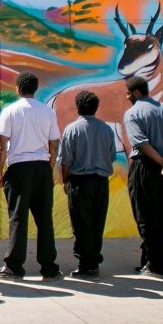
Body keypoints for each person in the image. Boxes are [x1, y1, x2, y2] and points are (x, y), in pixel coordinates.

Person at [0, 72, 63, 281]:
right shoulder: (47, 112)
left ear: (17, 88)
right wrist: (48, 171)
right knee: (44, 220)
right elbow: (53, 145)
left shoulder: (10, 111)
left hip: (19, 168)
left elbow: (1, 147)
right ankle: (49, 267)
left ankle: (14, 267)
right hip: (41, 167)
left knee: (18, 219)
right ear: (36, 88)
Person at [123, 76, 163, 277]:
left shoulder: (133, 113)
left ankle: (158, 263)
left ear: (135, 93)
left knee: (144, 215)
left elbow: (142, 143)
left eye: (127, 93)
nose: (126, 97)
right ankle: (149, 259)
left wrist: (162, 162)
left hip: (146, 167)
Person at [57, 91, 116, 282]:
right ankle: (94, 263)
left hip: (79, 182)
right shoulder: (107, 129)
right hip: (101, 181)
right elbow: (112, 155)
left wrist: (66, 181)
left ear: (78, 107)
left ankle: (85, 265)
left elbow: (66, 160)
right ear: (96, 107)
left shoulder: (72, 130)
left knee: (81, 224)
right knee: (97, 223)